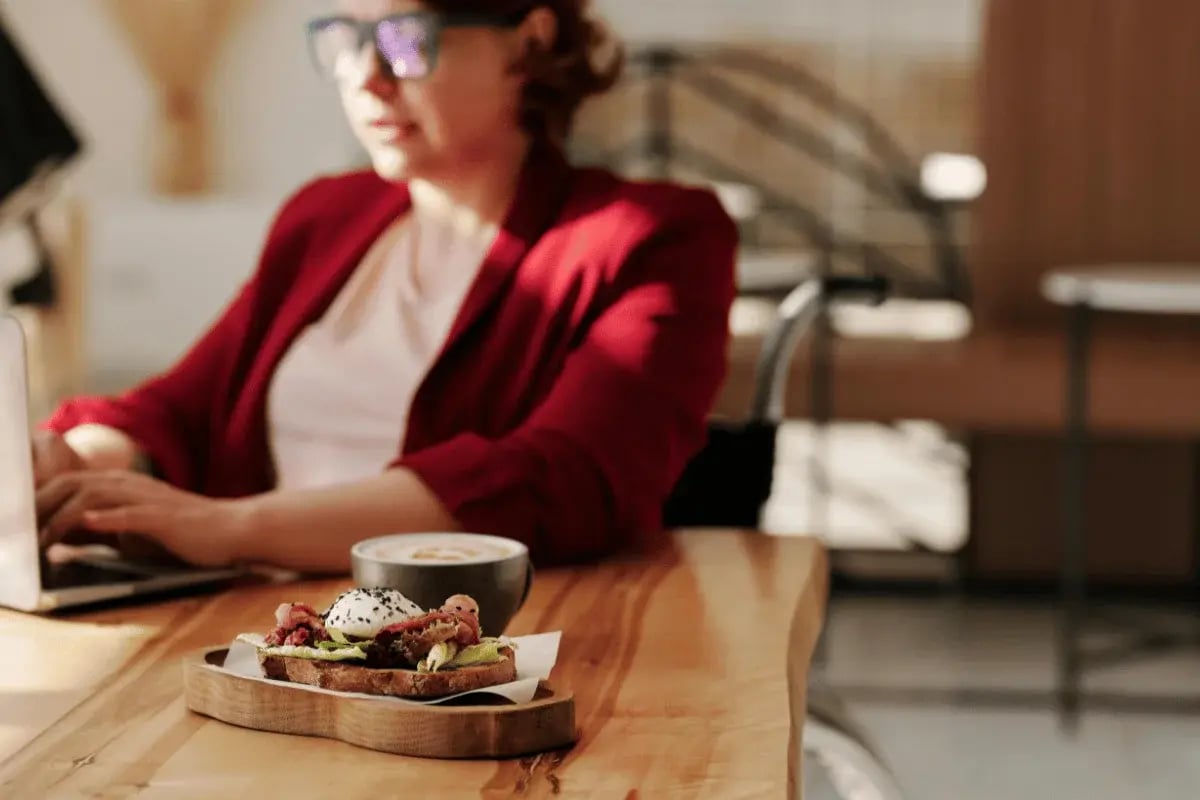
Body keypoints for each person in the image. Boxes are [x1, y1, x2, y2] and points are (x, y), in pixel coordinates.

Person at [32, 0, 737, 573]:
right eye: (346, 38)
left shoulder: (655, 237)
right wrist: (77, 469)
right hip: (258, 633)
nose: (366, 77)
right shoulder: (327, 215)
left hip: (490, 651)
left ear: (529, 42)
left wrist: (232, 528)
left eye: (407, 38)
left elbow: (565, 480)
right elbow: (184, 408)